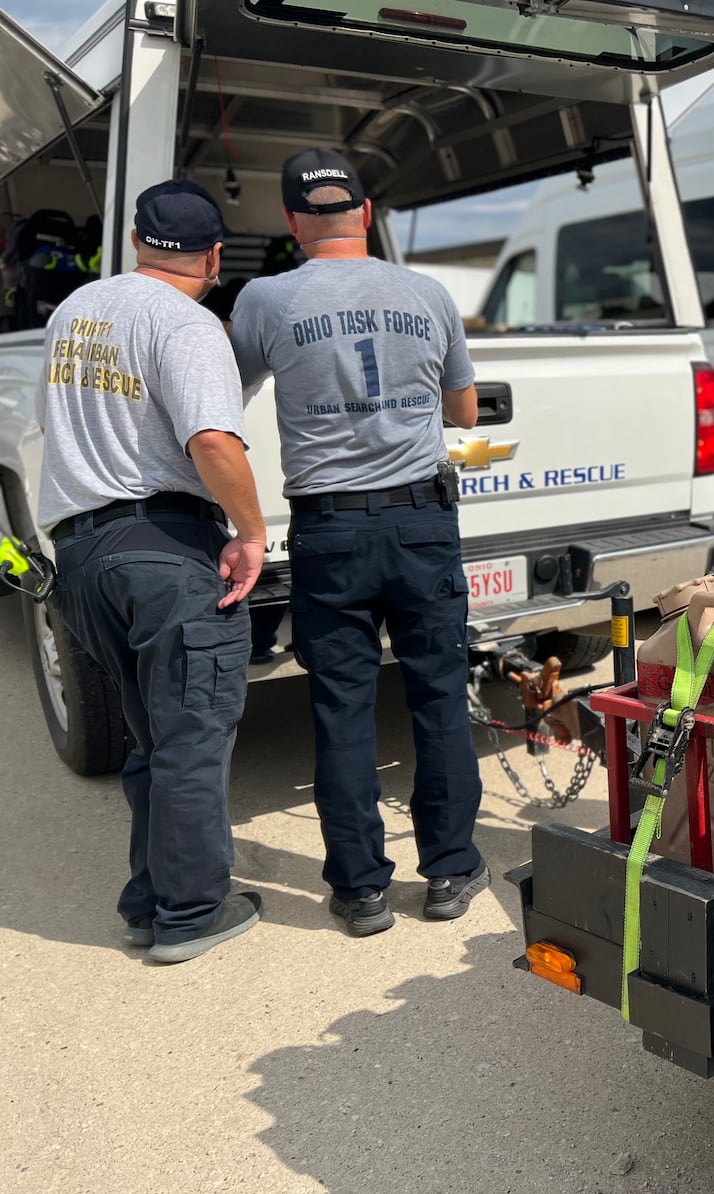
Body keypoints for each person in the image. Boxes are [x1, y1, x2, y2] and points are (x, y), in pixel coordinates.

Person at [228, 149, 488, 938]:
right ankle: (449, 871)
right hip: (421, 522)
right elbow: (467, 412)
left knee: (340, 704)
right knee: (438, 693)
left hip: (330, 528)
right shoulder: (427, 293)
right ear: (367, 215)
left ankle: (361, 892)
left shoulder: (265, 299)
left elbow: (225, 395)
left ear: (291, 223)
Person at [38, 180, 266, 963]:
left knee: (151, 737)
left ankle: (149, 899)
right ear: (212, 256)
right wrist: (252, 531)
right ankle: (193, 912)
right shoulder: (188, 324)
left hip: (82, 553)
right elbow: (211, 442)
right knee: (194, 736)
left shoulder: (77, 309)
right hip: (163, 551)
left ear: (137, 241)